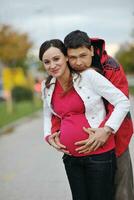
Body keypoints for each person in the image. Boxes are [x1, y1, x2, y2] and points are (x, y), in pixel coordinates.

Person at [39, 39, 130, 200]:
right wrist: (48, 136)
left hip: (99, 155)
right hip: (71, 159)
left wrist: (106, 130)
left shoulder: (88, 77)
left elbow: (122, 102)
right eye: (46, 62)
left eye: (56, 59)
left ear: (66, 57)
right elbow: (47, 113)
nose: (52, 65)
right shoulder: (47, 86)